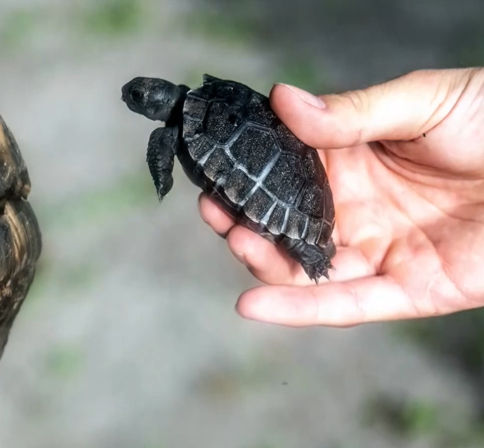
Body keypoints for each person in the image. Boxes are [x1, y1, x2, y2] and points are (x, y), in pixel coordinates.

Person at [198, 67, 484, 327]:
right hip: (299, 197)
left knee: (294, 241)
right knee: (283, 238)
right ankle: (313, 250)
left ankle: (314, 255)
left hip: (292, 195)